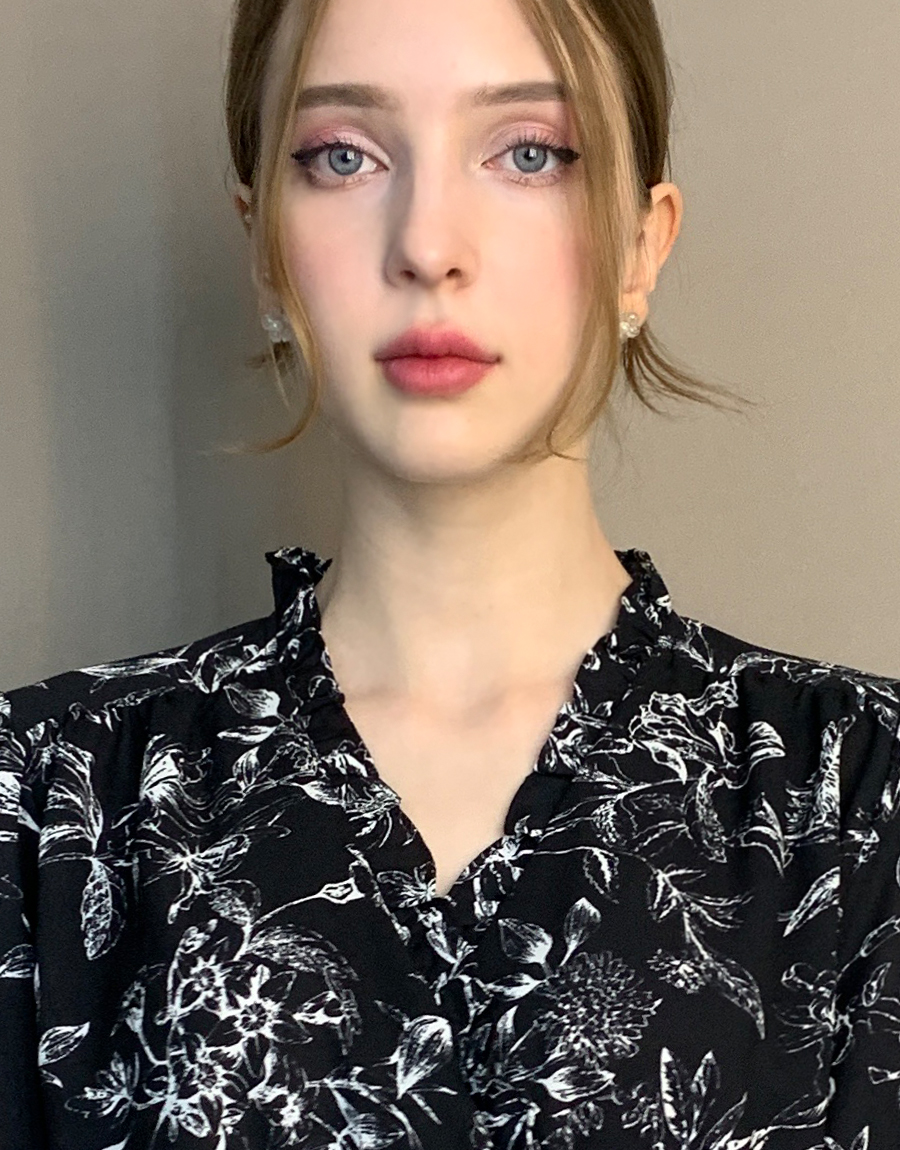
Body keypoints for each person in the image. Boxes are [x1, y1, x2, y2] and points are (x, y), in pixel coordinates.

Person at [1, 0, 898, 1146]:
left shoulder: (861, 805)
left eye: (530, 153)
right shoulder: (44, 807)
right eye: (343, 156)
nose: (428, 245)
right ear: (264, 248)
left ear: (642, 245)